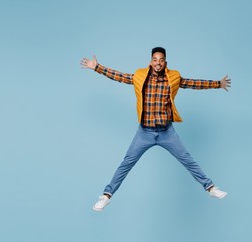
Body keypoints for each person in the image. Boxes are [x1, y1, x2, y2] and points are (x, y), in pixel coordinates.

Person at [81, 47, 231, 212]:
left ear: (165, 62)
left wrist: (218, 84)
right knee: (126, 163)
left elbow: (193, 83)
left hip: (166, 132)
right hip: (144, 132)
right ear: (150, 61)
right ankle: (106, 196)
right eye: (155, 59)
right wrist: (97, 67)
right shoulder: (140, 76)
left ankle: (210, 188)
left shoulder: (173, 78)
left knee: (187, 160)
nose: (158, 63)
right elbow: (120, 77)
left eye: (161, 60)